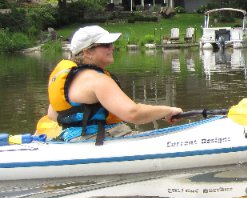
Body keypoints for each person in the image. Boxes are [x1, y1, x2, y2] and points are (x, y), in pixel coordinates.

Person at [47, 25, 183, 143]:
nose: (112, 48)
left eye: (111, 44)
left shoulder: (68, 79)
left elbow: (52, 114)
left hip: (73, 138)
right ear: (87, 51)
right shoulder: (97, 80)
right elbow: (133, 114)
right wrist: (168, 111)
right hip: (101, 138)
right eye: (106, 45)